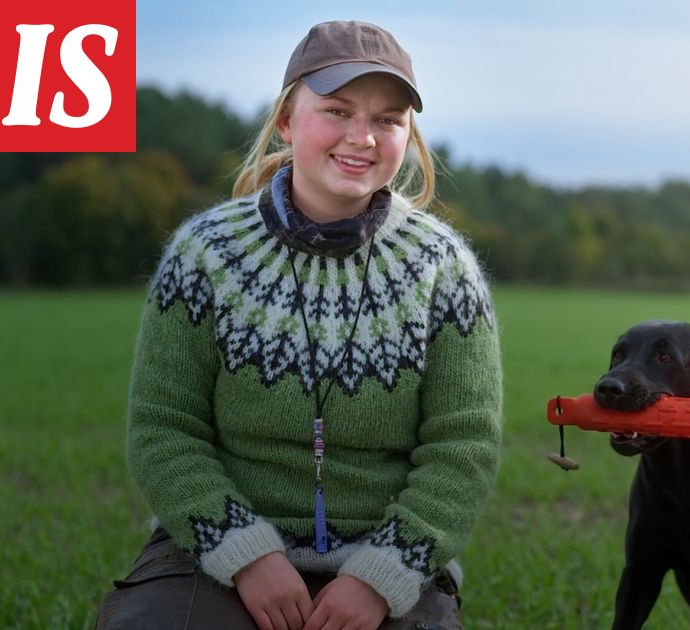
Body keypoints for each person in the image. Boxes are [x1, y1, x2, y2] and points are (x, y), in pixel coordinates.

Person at [97, 20, 502, 630]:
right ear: (287, 120)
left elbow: (463, 448)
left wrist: (380, 576)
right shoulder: (204, 254)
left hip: (387, 561)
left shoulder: (444, 268)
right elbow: (164, 429)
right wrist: (246, 554)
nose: (362, 136)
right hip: (214, 554)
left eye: (388, 119)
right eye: (337, 110)